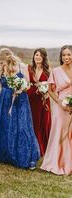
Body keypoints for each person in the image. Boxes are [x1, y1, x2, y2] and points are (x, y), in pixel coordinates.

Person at [0, 48, 40, 169]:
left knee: (22, 127)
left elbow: (28, 85)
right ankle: (6, 155)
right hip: (5, 100)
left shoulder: (22, 67)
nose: (0, 65)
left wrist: (21, 87)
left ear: (8, 58)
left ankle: (25, 156)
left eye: (1, 62)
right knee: (6, 126)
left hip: (20, 100)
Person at [41, 45, 72, 175]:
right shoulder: (56, 71)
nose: (66, 57)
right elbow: (50, 90)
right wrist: (60, 103)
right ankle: (57, 163)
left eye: (69, 54)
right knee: (59, 132)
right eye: (64, 55)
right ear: (61, 57)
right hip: (61, 106)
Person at [27, 48, 51, 156]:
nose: (38, 57)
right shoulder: (29, 68)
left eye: (40, 56)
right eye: (36, 55)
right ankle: (30, 145)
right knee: (31, 121)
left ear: (44, 58)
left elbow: (52, 86)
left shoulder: (48, 71)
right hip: (30, 97)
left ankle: (41, 146)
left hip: (42, 99)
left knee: (42, 122)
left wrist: (47, 93)